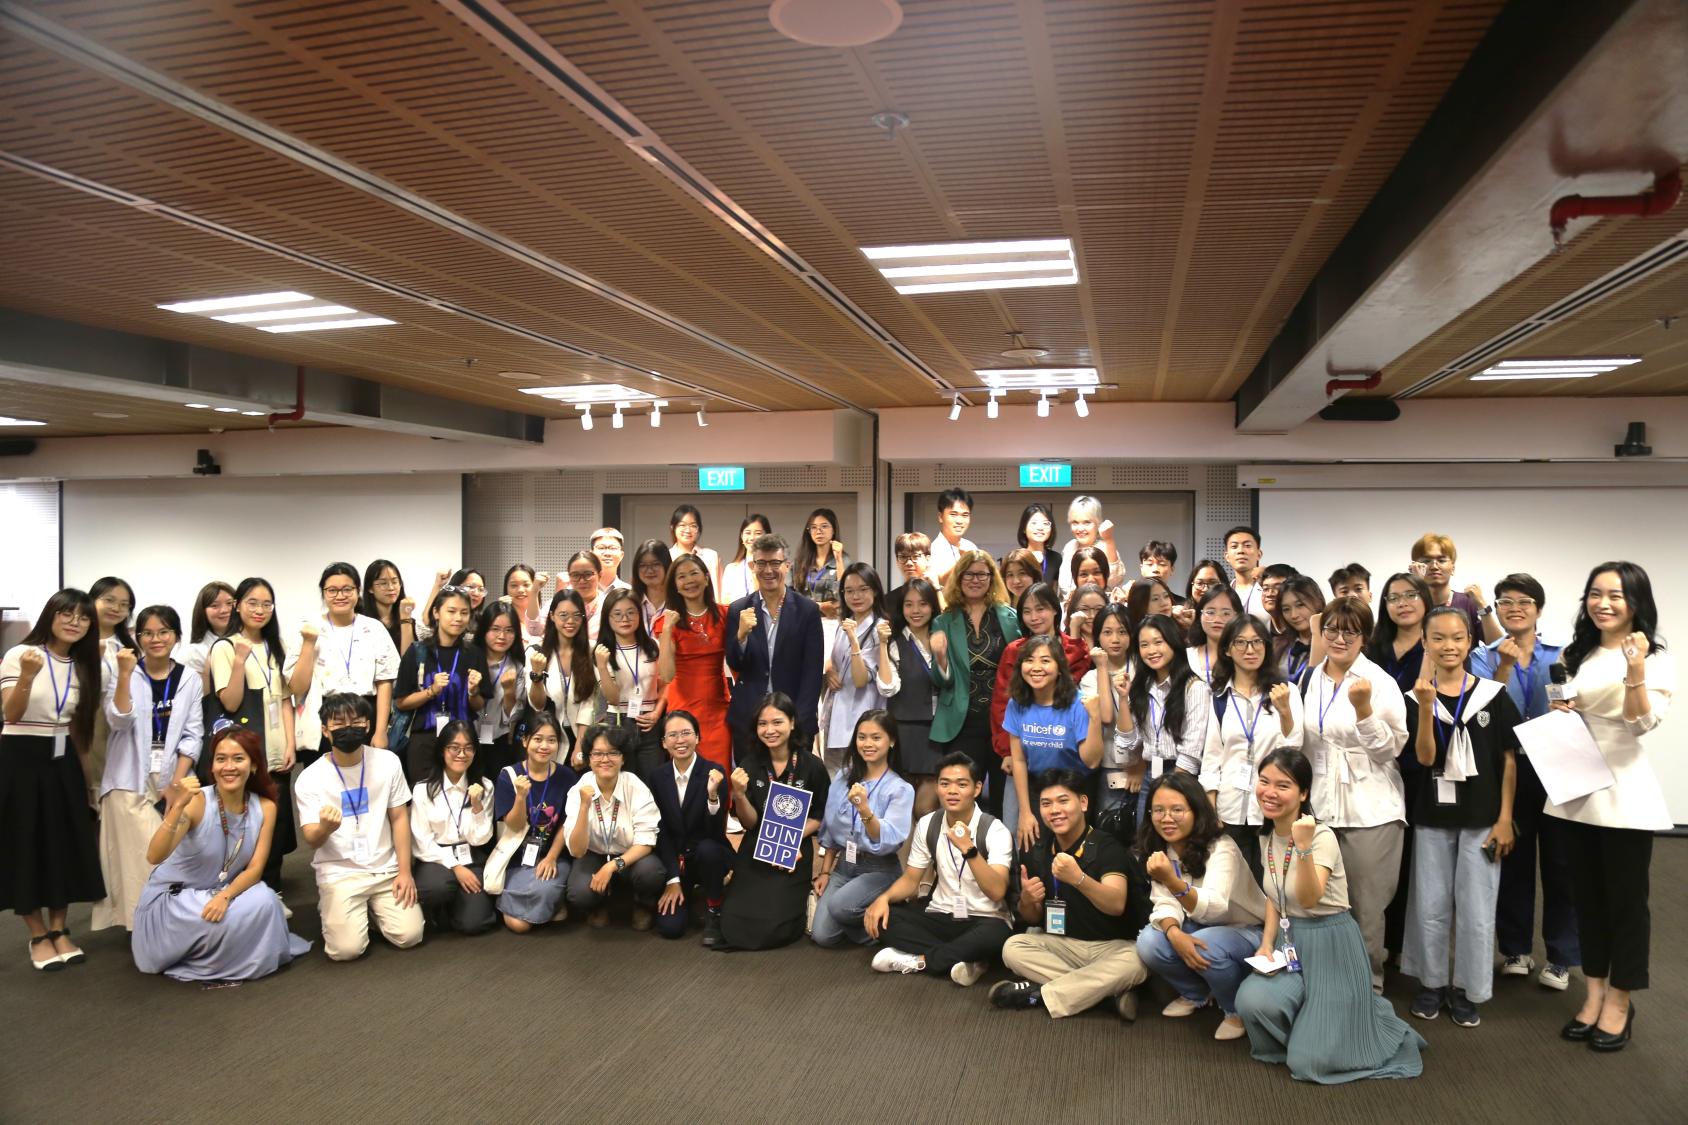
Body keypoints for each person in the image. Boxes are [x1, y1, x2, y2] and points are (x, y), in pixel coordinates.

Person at [1234, 749, 1426, 1083]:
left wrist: (1304, 847)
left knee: (1309, 1063)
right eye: (1264, 782)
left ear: (1304, 793)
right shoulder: (1267, 837)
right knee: (1251, 1001)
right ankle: (1310, 1027)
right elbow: (1274, 896)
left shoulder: (1321, 837)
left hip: (1332, 946)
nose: (1270, 792)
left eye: (1283, 785)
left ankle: (1337, 1024)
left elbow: (1309, 899)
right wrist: (1266, 944)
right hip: (1290, 944)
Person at [1549, 561, 1673, 1052]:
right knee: (1587, 900)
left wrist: (1635, 669)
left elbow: (1642, 725)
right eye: (1595, 594)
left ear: (1636, 603)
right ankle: (1595, 992)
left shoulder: (1651, 656)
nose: (1602, 603)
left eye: (1615, 596)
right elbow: (1561, 706)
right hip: (1576, 788)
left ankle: (1621, 999)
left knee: (1625, 904)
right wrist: (1559, 706)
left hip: (1624, 793)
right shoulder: (1573, 652)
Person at [1401, 608, 1520, 1027]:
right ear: (1425, 643)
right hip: (1433, 816)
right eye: (1438, 639)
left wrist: (1506, 818)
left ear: (1469, 642)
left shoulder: (1492, 694)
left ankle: (1469, 988)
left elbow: (1508, 760)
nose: (1448, 646)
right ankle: (1431, 982)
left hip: (1483, 817)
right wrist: (1427, 708)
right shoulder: (1416, 696)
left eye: (1456, 638)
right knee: (1430, 905)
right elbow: (1425, 757)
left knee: (1476, 906)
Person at [133, 725, 309, 980]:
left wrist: (225, 896)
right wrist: (178, 806)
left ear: (254, 766)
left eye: (238, 759)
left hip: (220, 892)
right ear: (212, 766)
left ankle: (226, 947)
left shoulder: (266, 807)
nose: (229, 767)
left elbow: (255, 869)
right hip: (175, 900)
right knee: (234, 918)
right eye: (221, 759)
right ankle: (224, 952)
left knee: (267, 901)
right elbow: (154, 856)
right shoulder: (196, 802)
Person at [1469, 573, 1576, 990]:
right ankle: (1516, 949)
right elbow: (1482, 705)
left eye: (1524, 601)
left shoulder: (1560, 653)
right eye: (1505, 601)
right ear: (1496, 609)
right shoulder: (1482, 655)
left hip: (1556, 766)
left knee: (1561, 863)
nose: (1514, 608)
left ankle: (1562, 958)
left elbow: (1571, 706)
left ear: (1538, 610)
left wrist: (1569, 704)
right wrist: (1505, 664)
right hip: (1508, 766)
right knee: (1512, 859)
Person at [1299, 596, 1408, 990]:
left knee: (1365, 908)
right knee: (1323, 903)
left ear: (1365, 636)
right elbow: (1308, 744)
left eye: (1350, 631)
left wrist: (1363, 710)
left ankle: (1369, 991)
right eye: (1331, 629)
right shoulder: (1313, 677)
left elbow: (1388, 750)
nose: (1339, 638)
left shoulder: (1379, 682)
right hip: (1324, 807)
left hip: (1371, 810)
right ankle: (1328, 988)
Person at [2, 589, 105, 970]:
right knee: (25, 844)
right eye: (67, 613)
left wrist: (88, 781)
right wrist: (28, 677)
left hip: (62, 761)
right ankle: (36, 934)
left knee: (62, 843)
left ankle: (60, 930)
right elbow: (10, 715)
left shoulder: (82, 664)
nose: (74, 622)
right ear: (51, 615)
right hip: (20, 758)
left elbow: (79, 731)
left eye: (83, 617)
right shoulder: (20, 655)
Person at [992, 769, 1143, 1019]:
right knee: (1013, 947)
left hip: (1109, 948)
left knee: (1140, 958)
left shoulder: (1108, 846)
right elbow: (1032, 917)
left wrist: (1079, 879)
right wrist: (1028, 900)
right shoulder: (1038, 849)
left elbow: (1116, 904)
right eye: (1046, 804)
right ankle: (1104, 997)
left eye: (1063, 801)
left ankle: (1041, 993)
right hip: (1062, 945)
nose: (1055, 810)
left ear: (1083, 803)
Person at [92, 605, 203, 932]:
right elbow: (118, 719)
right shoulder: (122, 671)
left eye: (164, 632)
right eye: (148, 633)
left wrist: (177, 782)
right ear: (137, 637)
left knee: (176, 853)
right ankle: (143, 926)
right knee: (140, 858)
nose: (156, 639)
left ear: (176, 636)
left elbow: (193, 733)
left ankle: (169, 923)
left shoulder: (189, 678)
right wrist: (125, 673)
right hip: (128, 777)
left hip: (173, 775)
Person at [1135, 771, 1267, 1038]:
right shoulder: (1164, 847)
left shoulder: (1222, 847)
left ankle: (1234, 1009)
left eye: (1177, 810)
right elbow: (1163, 903)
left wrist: (1172, 881)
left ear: (1196, 811)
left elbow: (1216, 907)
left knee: (1206, 945)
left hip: (1246, 930)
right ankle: (1197, 993)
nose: (1167, 818)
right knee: (1149, 943)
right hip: (1199, 926)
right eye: (1158, 810)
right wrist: (1174, 933)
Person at [863, 752, 1012, 986]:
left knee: (998, 936)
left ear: (976, 788)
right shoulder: (928, 823)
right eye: (944, 784)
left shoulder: (995, 830)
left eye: (962, 784)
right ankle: (969, 960)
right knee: (885, 917)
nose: (952, 791)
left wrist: (969, 850)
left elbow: (997, 892)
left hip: (984, 918)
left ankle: (918, 961)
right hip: (941, 915)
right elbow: (911, 879)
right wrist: (884, 898)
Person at [294, 693, 424, 960]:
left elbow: (399, 817)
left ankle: (368, 913)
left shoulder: (388, 762)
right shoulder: (309, 778)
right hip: (340, 873)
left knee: (410, 936)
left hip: (385, 870)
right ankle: (337, 907)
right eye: (339, 723)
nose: (348, 728)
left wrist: (404, 871)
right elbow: (311, 839)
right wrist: (325, 828)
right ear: (324, 730)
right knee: (345, 951)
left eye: (356, 721)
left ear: (368, 725)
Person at [718, 693, 830, 950]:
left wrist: (789, 838)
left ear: (792, 723)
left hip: (794, 851)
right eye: (762, 724)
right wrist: (739, 794)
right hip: (757, 846)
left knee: (775, 923)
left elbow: (821, 816)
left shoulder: (812, 766)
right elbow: (749, 823)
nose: (769, 730)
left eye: (777, 722)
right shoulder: (750, 764)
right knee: (735, 918)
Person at [207, 578, 297, 890]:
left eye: (266, 604)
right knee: (246, 822)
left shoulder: (277, 646)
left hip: (276, 747)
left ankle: (272, 889)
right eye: (252, 603)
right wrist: (239, 661)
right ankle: (242, 889)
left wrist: (290, 744)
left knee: (277, 820)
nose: (260, 610)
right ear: (238, 606)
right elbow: (229, 702)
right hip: (245, 749)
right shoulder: (225, 647)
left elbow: (286, 699)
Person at [1200, 615, 1302, 880]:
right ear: (1227, 649)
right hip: (1230, 808)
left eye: (1257, 642)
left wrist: (1285, 712)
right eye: (1241, 643)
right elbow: (1212, 757)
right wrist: (1211, 811)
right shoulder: (1219, 696)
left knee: (1271, 883)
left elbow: (1294, 751)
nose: (1250, 650)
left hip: (1271, 806)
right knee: (1231, 886)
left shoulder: (1285, 691)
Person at [1366, 571, 1433, 965]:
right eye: (1394, 598)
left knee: (1419, 860)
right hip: (1380, 760)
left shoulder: (1438, 643)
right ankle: (1384, 942)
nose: (1403, 603)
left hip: (1422, 761)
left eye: (1410, 595)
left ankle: (1410, 948)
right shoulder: (1375, 647)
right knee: (1386, 861)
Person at [812, 710, 915, 947]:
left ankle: (896, 915)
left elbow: (889, 839)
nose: (867, 744)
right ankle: (875, 920)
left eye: (876, 738)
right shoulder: (843, 776)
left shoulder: (900, 789)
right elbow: (830, 828)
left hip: (879, 868)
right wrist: (826, 872)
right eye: (861, 737)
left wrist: (865, 810)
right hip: (844, 866)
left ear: (892, 741)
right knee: (823, 936)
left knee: (839, 907)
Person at [287, 562, 400, 772]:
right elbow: (296, 688)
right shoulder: (309, 628)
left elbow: (385, 681)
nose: (340, 596)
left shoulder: (373, 628)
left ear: (358, 591)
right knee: (326, 782)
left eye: (347, 589)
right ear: (323, 593)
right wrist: (309, 643)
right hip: (326, 719)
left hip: (365, 715)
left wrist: (380, 731)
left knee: (368, 780)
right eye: (332, 590)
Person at [931, 551, 1020, 816]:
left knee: (1006, 796)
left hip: (1003, 721)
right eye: (969, 574)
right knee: (964, 795)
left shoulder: (1008, 616)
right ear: (958, 579)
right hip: (963, 721)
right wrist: (940, 657)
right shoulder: (944, 620)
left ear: (992, 578)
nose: (975, 580)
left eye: (982, 574)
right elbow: (940, 681)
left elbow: (1019, 665)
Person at [990, 582, 1091, 811]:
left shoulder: (1074, 646)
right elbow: (1001, 703)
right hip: (1024, 751)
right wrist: (1006, 750)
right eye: (1026, 611)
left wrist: (1074, 639)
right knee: (1019, 824)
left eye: (1041, 609)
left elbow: (1073, 680)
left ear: (1056, 609)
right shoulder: (1015, 650)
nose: (1034, 617)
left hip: (1066, 755)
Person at [724, 534, 825, 761]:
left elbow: (812, 672)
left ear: (787, 566)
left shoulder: (807, 610)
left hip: (792, 718)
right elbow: (734, 663)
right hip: (750, 719)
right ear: (753, 566)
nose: (768, 570)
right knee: (750, 788)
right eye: (761, 563)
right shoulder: (738, 609)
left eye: (775, 563)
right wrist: (741, 636)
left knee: (791, 793)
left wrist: (799, 719)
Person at [1003, 635, 1102, 848]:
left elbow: (1092, 762)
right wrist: (1025, 812)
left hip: (1075, 788)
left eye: (1045, 660)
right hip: (1037, 788)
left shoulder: (1078, 703)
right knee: (1033, 854)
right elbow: (1019, 761)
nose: (1036, 667)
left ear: (1059, 668)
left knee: (1074, 856)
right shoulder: (1016, 703)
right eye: (1029, 660)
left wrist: (1095, 719)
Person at [564, 723, 666, 930]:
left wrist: (611, 866)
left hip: (630, 856)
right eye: (597, 754)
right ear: (589, 758)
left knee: (651, 873)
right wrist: (584, 807)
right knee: (578, 892)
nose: (605, 759)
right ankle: (598, 905)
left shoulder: (635, 786)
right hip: (593, 854)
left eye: (613, 753)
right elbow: (576, 850)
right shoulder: (579, 789)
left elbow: (646, 843)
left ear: (623, 758)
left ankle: (641, 903)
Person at [642, 710, 729, 944]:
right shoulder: (656, 777)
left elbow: (715, 831)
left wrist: (712, 796)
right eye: (672, 735)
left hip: (706, 855)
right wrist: (672, 879)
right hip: (675, 860)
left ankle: (714, 906)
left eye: (686, 733)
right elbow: (660, 831)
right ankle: (683, 892)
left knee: (709, 849)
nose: (680, 740)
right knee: (670, 928)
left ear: (698, 737)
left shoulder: (715, 772)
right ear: (663, 743)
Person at [409, 720, 496, 936]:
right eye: (454, 748)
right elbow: (422, 841)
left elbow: (481, 839)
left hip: (471, 854)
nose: (461, 754)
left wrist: (476, 806)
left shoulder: (484, 786)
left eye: (468, 748)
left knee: (474, 924)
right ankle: (439, 906)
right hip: (435, 857)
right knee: (435, 888)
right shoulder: (424, 790)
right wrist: (456, 868)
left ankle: (455, 908)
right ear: (442, 751)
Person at [394, 586, 489, 784]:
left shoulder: (474, 653)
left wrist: (473, 692)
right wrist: (431, 691)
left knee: (461, 802)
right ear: (437, 613)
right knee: (424, 802)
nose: (458, 618)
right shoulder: (417, 652)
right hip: (424, 741)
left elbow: (479, 705)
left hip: (463, 741)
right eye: (451, 611)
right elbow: (401, 702)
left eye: (464, 613)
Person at [1120, 614, 1210, 821]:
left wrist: (1169, 792)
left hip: (1181, 775)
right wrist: (1123, 699)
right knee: (1146, 843)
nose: (1151, 651)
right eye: (1144, 645)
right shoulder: (1141, 688)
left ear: (1173, 642)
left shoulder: (1194, 687)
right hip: (1151, 773)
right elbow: (1127, 743)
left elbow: (1192, 749)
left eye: (1158, 642)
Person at [491, 714, 576, 932]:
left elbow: (567, 824)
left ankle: (546, 900)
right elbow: (514, 825)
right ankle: (544, 906)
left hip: (552, 855)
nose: (544, 746)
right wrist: (520, 797)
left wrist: (551, 857)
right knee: (517, 925)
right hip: (517, 857)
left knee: (541, 894)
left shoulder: (567, 777)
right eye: (538, 739)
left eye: (551, 740)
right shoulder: (509, 775)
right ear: (525, 740)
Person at [654, 555, 732, 776]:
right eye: (681, 577)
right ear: (675, 586)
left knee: (719, 773)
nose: (689, 580)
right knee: (686, 774)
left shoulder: (725, 614)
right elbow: (667, 675)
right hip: (683, 709)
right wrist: (668, 629)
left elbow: (738, 660)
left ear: (707, 578)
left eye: (694, 573)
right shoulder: (666, 622)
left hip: (718, 709)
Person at [876, 578, 943, 816]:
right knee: (901, 806)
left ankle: (925, 852)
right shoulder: (894, 643)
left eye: (923, 604)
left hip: (939, 729)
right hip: (904, 728)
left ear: (933, 606)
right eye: (909, 604)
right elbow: (887, 688)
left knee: (927, 807)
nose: (916, 611)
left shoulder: (944, 637)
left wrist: (941, 654)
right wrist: (882, 645)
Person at [594, 588, 666, 777]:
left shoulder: (652, 646)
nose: (624, 619)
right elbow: (613, 698)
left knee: (652, 783)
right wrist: (602, 667)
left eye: (630, 613)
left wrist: (657, 713)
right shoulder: (602, 651)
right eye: (617, 614)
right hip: (618, 721)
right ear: (607, 618)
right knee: (622, 782)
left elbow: (665, 684)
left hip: (649, 723)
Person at [823, 564, 888, 772]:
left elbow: (861, 679)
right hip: (836, 712)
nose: (855, 596)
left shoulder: (880, 628)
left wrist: (853, 640)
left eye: (863, 589)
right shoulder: (846, 624)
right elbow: (835, 661)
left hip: (861, 713)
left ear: (875, 590)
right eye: (849, 591)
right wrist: (830, 672)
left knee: (859, 778)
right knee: (835, 779)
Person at [86, 576, 138, 807]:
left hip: (124, 724)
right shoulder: (77, 640)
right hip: (89, 724)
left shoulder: (133, 646)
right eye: (109, 600)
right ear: (92, 600)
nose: (117, 609)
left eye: (124, 604)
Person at [527, 588, 598, 756]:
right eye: (563, 615)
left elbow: (591, 702)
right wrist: (537, 676)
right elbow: (537, 705)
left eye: (576, 615)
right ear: (552, 616)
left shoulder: (592, 649)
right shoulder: (536, 652)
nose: (570, 621)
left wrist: (580, 747)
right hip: (548, 738)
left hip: (583, 736)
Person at [1084, 604, 1138, 809]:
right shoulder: (1090, 677)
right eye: (1107, 632)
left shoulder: (1141, 669)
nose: (1115, 639)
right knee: (1111, 827)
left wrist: (1140, 767)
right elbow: (1106, 717)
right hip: (1109, 765)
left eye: (1122, 631)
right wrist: (1102, 667)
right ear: (1098, 636)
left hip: (1142, 764)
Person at [1409, 533, 1500, 643]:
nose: (1434, 566)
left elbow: (1497, 646)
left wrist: (1482, 605)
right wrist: (1417, 586)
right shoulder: (1408, 605)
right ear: (1414, 567)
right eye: (1426, 561)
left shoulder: (1467, 602)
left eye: (1442, 560)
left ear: (1453, 568)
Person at [472, 602, 526, 776]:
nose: (502, 636)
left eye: (509, 630)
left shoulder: (516, 666)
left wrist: (509, 691)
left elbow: (512, 716)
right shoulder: (470, 658)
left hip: (498, 740)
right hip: (465, 737)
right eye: (495, 629)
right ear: (484, 630)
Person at [1059, 496, 1122, 597]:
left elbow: (1114, 579)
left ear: (1098, 524)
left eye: (1086, 522)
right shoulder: (1070, 547)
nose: (1080, 528)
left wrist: (1109, 540)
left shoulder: (1105, 547)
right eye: (1075, 523)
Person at [793, 507, 848, 617]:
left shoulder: (844, 560)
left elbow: (845, 594)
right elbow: (792, 597)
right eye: (813, 527)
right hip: (805, 620)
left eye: (824, 526)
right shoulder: (800, 561)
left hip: (833, 622)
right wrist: (819, 606)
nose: (819, 531)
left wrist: (839, 561)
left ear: (833, 530)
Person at [1187, 585, 1244, 687]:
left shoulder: (1246, 655)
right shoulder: (1187, 656)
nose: (1217, 620)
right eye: (1210, 612)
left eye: (1226, 613)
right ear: (1200, 615)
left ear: (1238, 616)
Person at [180, 581, 236, 680]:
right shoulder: (193, 654)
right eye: (214, 605)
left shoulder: (253, 641)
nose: (224, 610)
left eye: (230, 603)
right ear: (202, 611)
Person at [360, 559, 417, 656]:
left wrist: (405, 617)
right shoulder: (360, 621)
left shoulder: (408, 621)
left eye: (395, 582)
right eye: (383, 583)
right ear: (370, 588)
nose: (391, 588)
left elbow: (408, 661)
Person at [1274, 576, 1325, 684]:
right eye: (1286, 609)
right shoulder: (1278, 644)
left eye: (1300, 605)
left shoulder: (1333, 644)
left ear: (1318, 602)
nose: (1293, 615)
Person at [418, 569, 488, 643]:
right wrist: (438, 585)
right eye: (471, 587)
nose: (476, 593)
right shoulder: (443, 617)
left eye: (481, 589)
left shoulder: (482, 621)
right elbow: (428, 620)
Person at [720, 513, 772, 605]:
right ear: (741, 536)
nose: (752, 538)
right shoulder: (731, 569)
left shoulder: (773, 568)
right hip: (738, 617)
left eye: (758, 533)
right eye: (748, 533)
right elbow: (725, 603)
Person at [928, 488, 976, 587]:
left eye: (965, 515)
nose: (959, 520)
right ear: (940, 517)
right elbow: (939, 581)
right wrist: (963, 561)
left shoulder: (971, 546)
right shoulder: (932, 550)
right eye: (953, 514)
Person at [1223, 526, 1268, 625]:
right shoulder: (1223, 593)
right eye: (1234, 546)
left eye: (1247, 546)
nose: (1241, 551)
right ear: (1227, 556)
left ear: (1259, 554)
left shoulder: (1269, 591)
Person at [669, 504, 720, 589]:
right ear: (673, 527)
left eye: (693, 526)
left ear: (699, 529)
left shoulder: (711, 557)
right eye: (682, 525)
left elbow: (717, 591)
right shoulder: (667, 556)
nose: (688, 530)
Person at [564, 551, 609, 644]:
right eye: (575, 575)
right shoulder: (560, 604)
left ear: (600, 575)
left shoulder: (609, 605)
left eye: (588, 574)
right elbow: (535, 630)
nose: (581, 581)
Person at [630, 541, 672, 632]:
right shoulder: (630, 602)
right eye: (643, 565)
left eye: (656, 564)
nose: (649, 570)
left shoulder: (678, 602)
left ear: (667, 565)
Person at [1016, 502, 1062, 585]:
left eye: (1045, 523)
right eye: (1034, 523)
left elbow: (1055, 593)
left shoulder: (1056, 559)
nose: (1040, 528)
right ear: (1024, 528)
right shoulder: (1017, 558)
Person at [589, 527, 631, 591]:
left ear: (621, 555)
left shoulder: (629, 592)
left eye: (613, 548)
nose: (607, 553)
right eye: (601, 548)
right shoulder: (579, 590)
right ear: (591, 554)